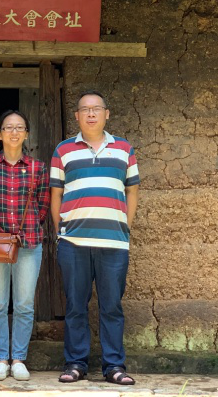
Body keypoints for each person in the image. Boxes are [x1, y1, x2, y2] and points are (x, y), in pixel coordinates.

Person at [50, 91, 140, 386]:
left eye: (96, 109)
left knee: (111, 306)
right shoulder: (63, 150)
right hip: (73, 243)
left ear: (106, 114)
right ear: (77, 116)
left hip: (113, 243)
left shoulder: (124, 149)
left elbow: (132, 191)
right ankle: (76, 364)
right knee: (76, 306)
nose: (91, 114)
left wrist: (124, 227)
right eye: (85, 110)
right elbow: (56, 195)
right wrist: (61, 232)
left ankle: (114, 366)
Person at [0, 110, 49, 382]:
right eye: (8, 128)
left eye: (20, 128)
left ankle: (18, 359)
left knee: (24, 304)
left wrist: (26, 229)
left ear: (27, 134)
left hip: (28, 244)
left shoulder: (38, 168)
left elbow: (42, 207)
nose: (14, 132)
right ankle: (0, 359)